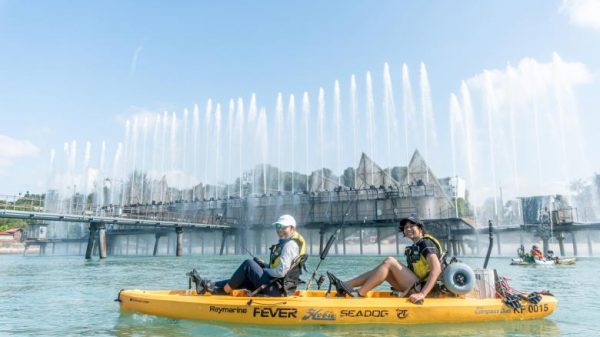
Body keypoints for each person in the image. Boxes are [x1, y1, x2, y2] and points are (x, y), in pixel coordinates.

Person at [190, 214, 306, 296]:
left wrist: (264, 270)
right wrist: (263, 265)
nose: (279, 230)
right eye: (278, 226)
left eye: (283, 227)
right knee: (245, 277)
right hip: (275, 286)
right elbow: (281, 269)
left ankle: (222, 291)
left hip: (276, 290)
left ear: (292, 228)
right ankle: (207, 285)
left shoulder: (289, 245)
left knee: (248, 264)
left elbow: (281, 272)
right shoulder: (288, 243)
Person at [336, 216, 442, 303]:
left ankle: (359, 293)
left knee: (390, 261)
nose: (408, 229)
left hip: (426, 290)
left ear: (420, 228)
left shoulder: (425, 243)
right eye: (406, 227)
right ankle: (346, 285)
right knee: (383, 270)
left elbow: (436, 270)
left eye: (411, 226)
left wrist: (422, 294)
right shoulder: (416, 245)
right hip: (416, 285)